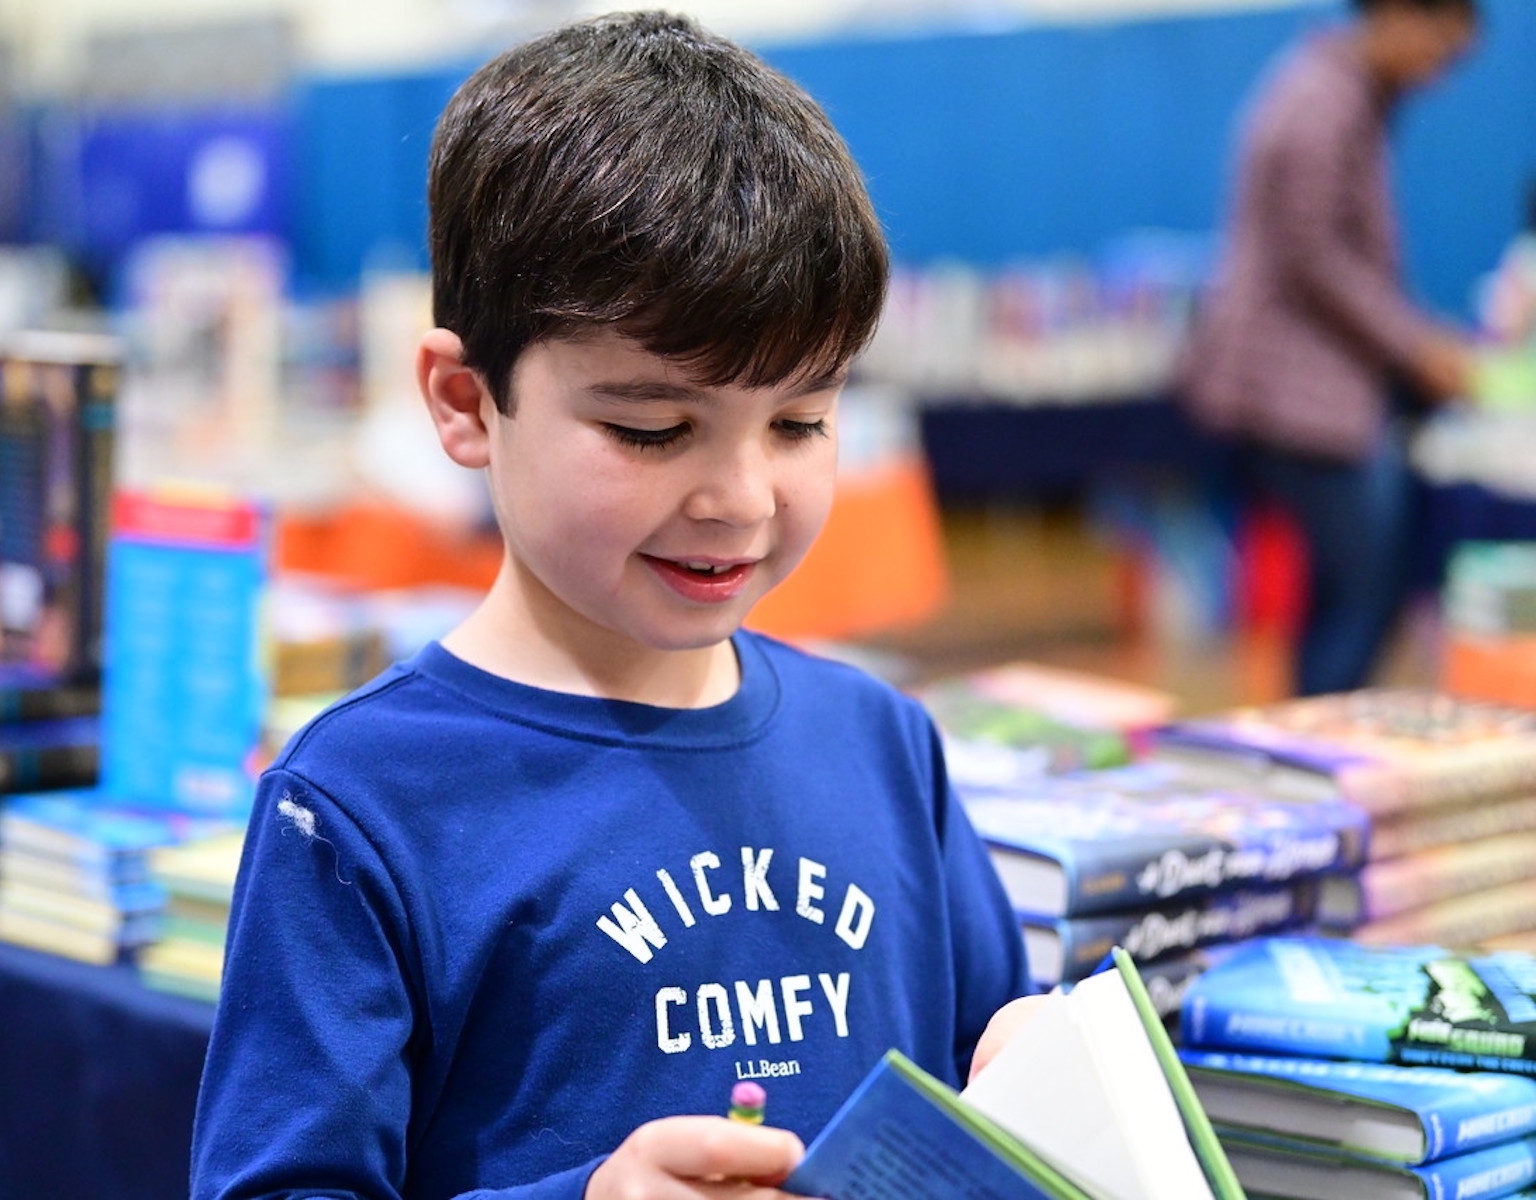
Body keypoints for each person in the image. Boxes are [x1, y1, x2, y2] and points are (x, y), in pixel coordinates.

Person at [191, 12, 1035, 1200]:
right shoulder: (363, 804)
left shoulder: (882, 743)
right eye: (652, 429)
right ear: (467, 404)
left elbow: (986, 1067)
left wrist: (1045, 1077)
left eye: (800, 422)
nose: (740, 499)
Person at [1176, 0, 1479, 696]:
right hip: (1296, 392)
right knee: (1367, 588)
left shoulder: (1344, 91)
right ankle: (1323, 747)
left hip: (1315, 386)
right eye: (1442, 48)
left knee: (1346, 591)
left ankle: (1317, 738)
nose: (1438, 72)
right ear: (1402, 15)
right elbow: (1315, 258)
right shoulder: (1321, 101)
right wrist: (1417, 347)